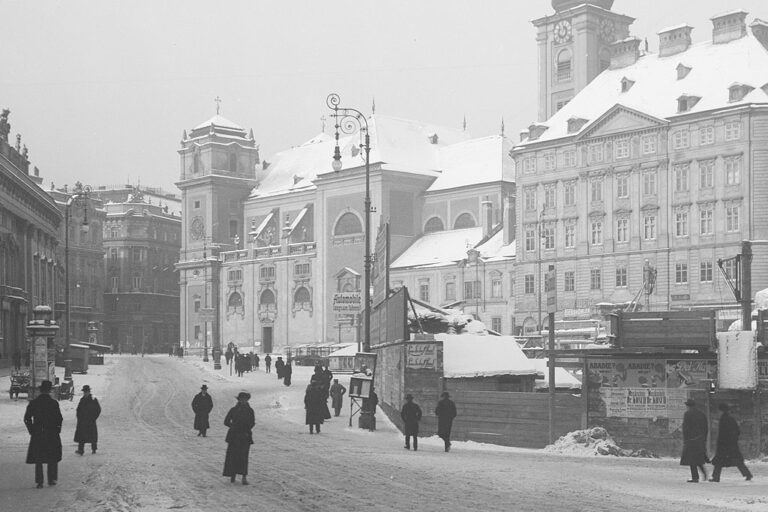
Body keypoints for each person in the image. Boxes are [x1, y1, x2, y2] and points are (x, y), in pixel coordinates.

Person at [24, 380, 62, 488]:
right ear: (50, 390)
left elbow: (27, 418)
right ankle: (52, 479)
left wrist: (32, 430)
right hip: (51, 433)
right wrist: (57, 430)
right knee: (52, 457)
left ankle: (39, 481)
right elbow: (59, 418)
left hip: (38, 433)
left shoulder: (34, 402)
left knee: (39, 458)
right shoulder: (54, 403)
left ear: (40, 390)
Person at [710, 403, 753, 482]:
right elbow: (737, 431)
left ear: (721, 411)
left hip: (724, 445)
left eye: (718, 411)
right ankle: (747, 474)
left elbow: (723, 434)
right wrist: (733, 440)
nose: (717, 413)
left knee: (719, 461)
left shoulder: (724, 419)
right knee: (737, 461)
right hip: (732, 445)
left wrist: (722, 442)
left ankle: (716, 477)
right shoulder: (731, 419)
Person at [223, 391, 255, 485]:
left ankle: (244, 477)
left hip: (245, 436)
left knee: (244, 457)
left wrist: (246, 429)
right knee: (233, 456)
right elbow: (226, 421)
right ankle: (233, 474)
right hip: (234, 436)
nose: (243, 401)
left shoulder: (250, 411)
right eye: (242, 399)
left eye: (245, 399)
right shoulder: (233, 410)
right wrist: (233, 427)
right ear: (239, 400)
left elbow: (252, 422)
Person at [680, 398, 709, 482]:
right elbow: (705, 428)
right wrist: (704, 439)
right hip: (700, 439)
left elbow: (686, 428)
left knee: (692, 459)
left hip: (691, 440)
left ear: (688, 406)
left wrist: (685, 439)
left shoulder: (687, 414)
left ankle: (695, 477)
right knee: (697, 458)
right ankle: (703, 473)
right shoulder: (702, 414)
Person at [74, 385, 101, 455]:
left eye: (86, 392)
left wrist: (94, 417)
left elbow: (98, 409)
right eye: (84, 392)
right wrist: (79, 417)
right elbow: (78, 409)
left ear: (89, 392)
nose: (85, 393)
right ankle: (81, 450)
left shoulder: (93, 399)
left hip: (90, 421)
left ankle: (94, 449)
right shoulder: (82, 399)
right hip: (82, 421)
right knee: (81, 436)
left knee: (92, 436)